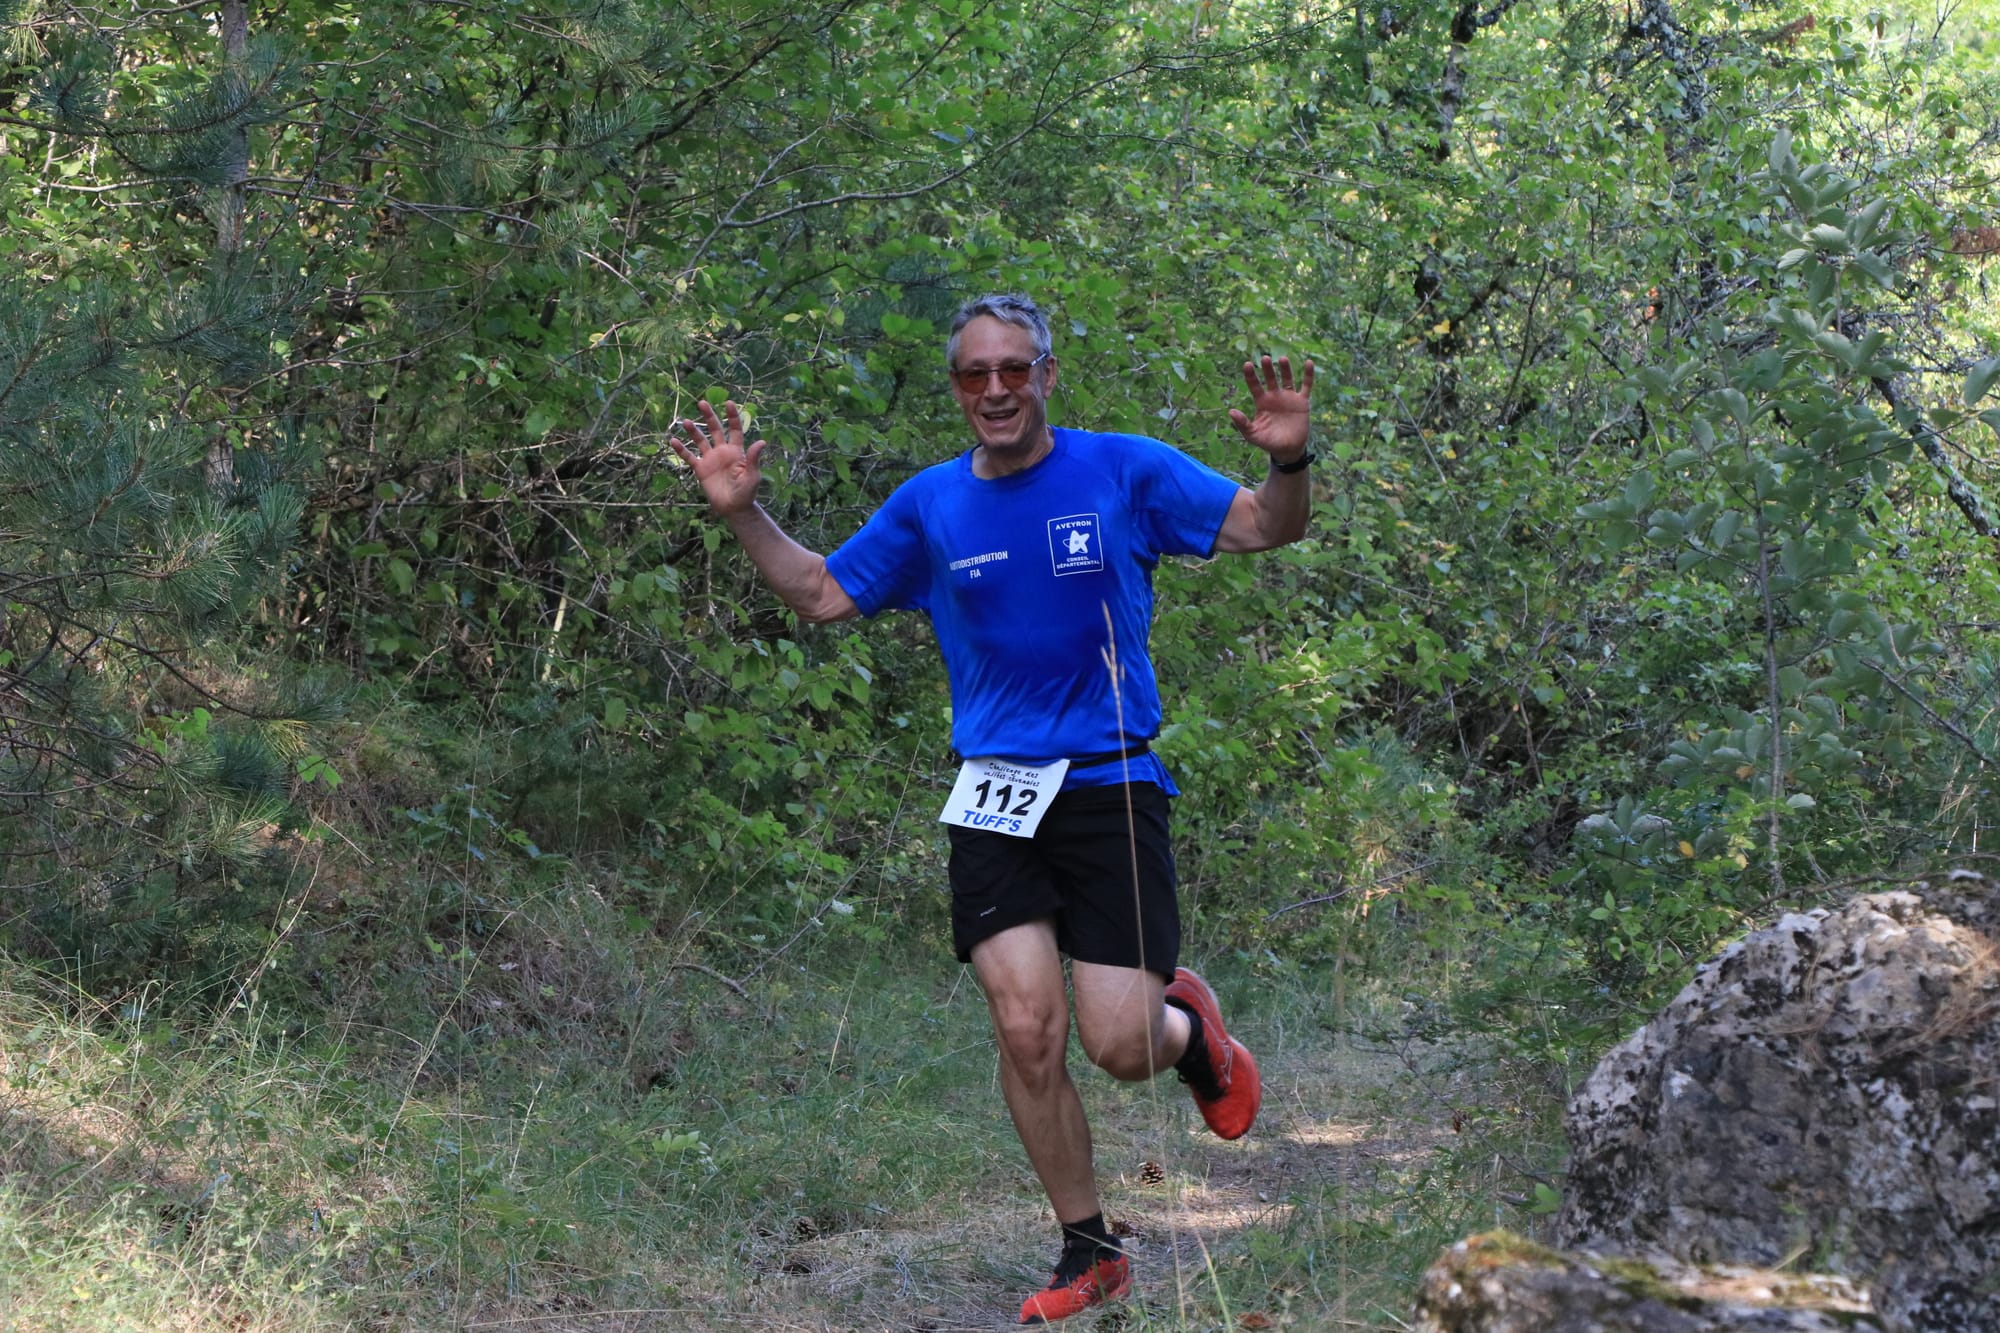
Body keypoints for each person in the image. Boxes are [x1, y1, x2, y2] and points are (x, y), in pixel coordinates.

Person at [670, 293, 1313, 1324]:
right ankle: (1089, 1247)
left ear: (1047, 374)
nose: (995, 390)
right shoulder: (930, 503)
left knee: (1116, 1043)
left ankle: (1193, 1037)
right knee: (1024, 1030)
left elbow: (1264, 529)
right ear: (957, 390)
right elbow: (824, 594)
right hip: (995, 794)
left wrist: (1287, 462)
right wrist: (742, 509)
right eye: (974, 374)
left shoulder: (1124, 470)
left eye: (1014, 369)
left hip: (1110, 783)